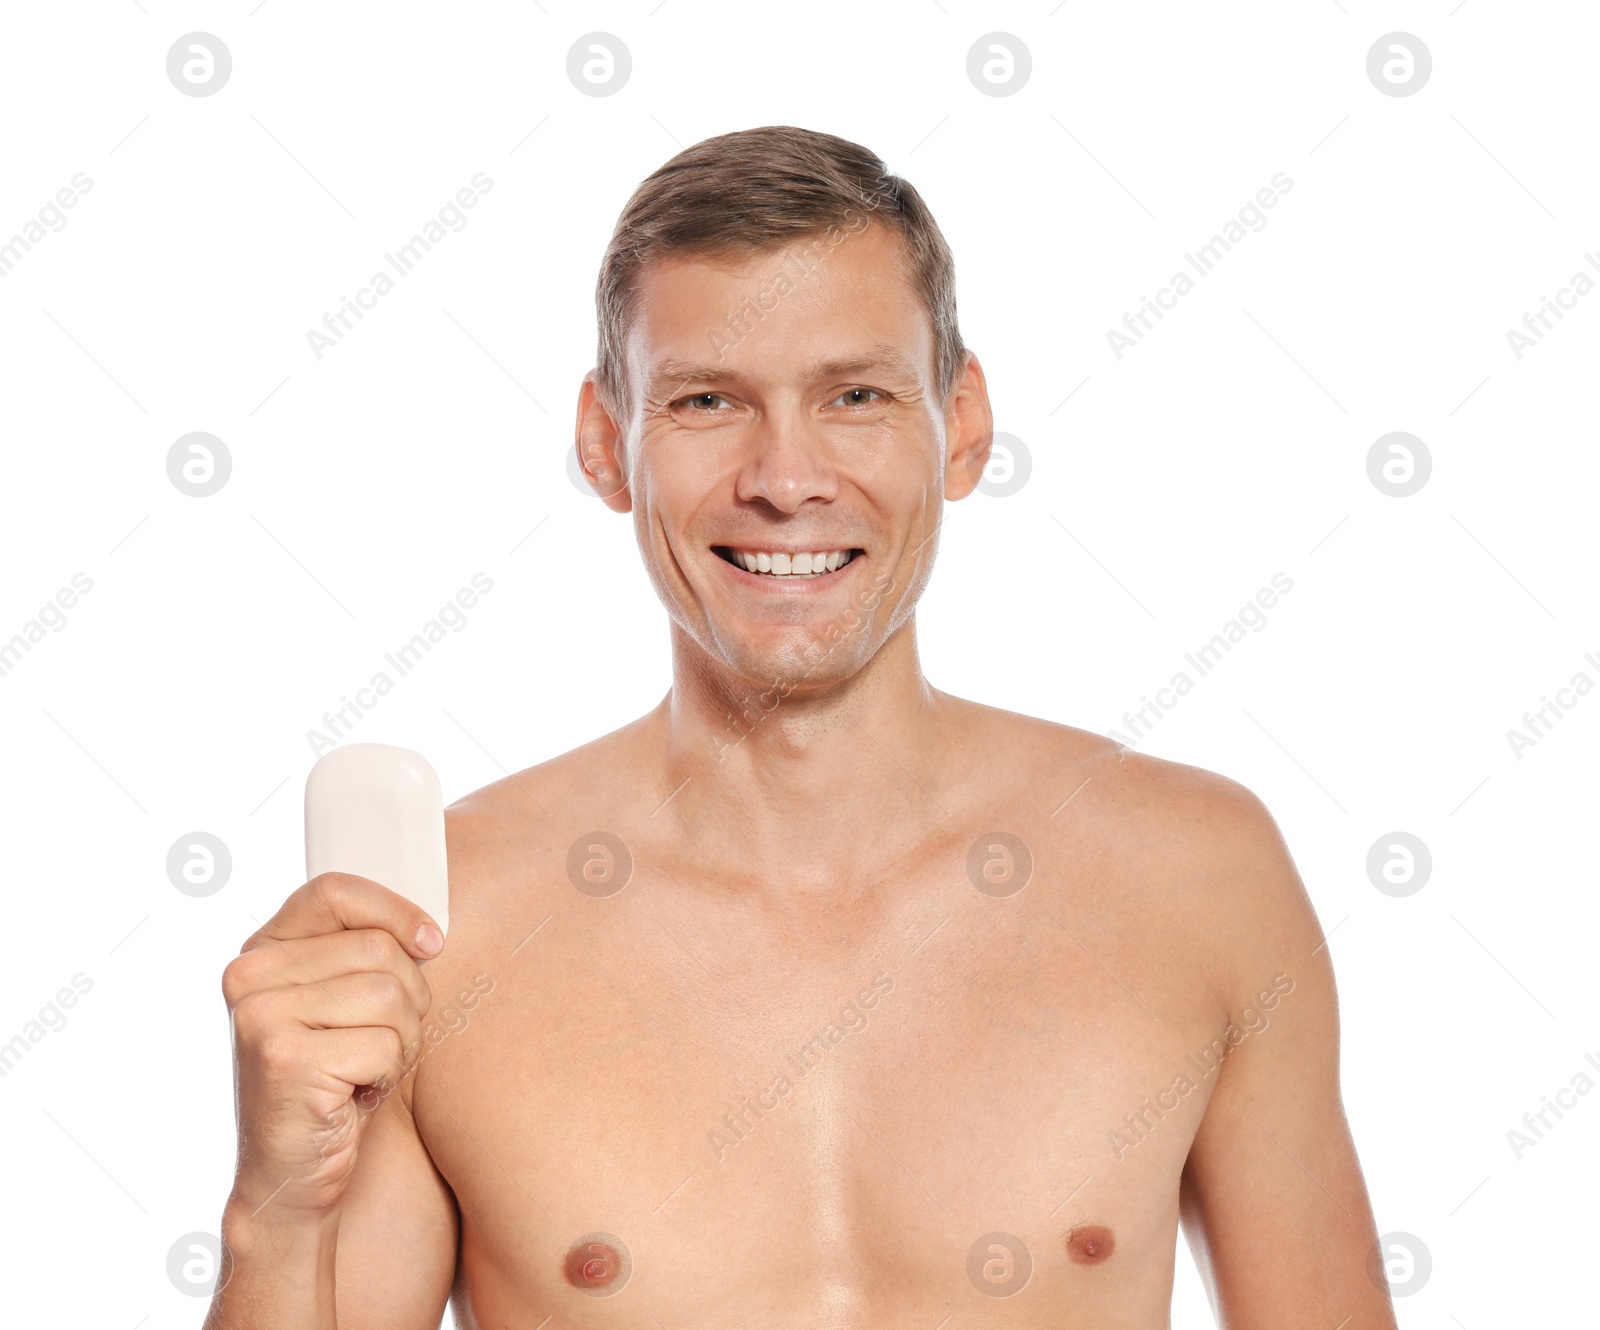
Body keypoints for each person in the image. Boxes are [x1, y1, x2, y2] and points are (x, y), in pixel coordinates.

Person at [207, 125, 1398, 1329]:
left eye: (858, 395)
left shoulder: (1197, 875)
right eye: (708, 398)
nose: (786, 478)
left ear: (964, 423)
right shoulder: (440, 930)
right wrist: (275, 1214)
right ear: (606, 441)